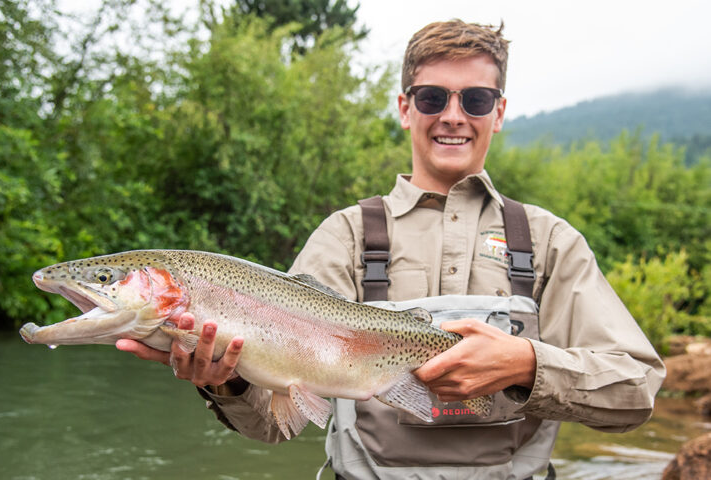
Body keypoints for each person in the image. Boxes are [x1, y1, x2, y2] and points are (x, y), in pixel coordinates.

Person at [117, 19, 665, 479]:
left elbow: (637, 391)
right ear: (406, 107)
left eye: (475, 98)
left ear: (498, 113)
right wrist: (228, 381)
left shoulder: (549, 240)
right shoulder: (346, 235)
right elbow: (276, 424)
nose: (453, 115)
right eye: (433, 97)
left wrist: (524, 363)